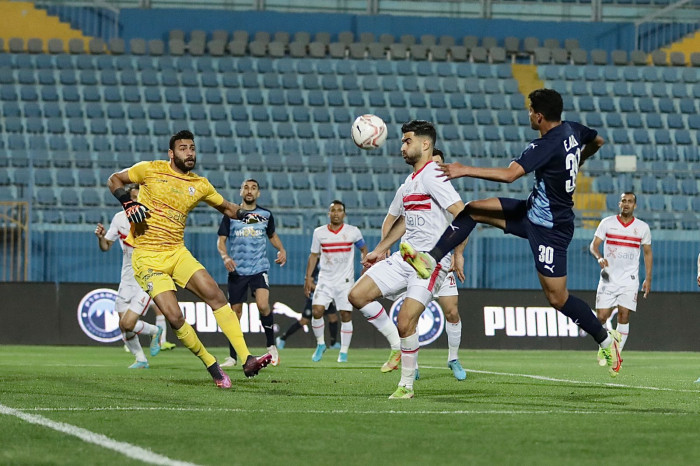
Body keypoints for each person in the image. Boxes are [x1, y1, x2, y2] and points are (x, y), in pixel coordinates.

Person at [400, 89, 623, 379]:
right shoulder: (573, 129)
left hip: (551, 230)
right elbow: (598, 140)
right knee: (472, 210)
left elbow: (509, 175)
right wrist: (577, 162)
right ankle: (430, 259)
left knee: (558, 298)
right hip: (530, 212)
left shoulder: (545, 144)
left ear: (539, 116)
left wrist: (463, 169)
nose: (528, 115)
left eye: (530, 111)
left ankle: (606, 340)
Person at [107, 130, 271, 388]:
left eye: (192, 148)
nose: (190, 152)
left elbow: (227, 207)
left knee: (216, 295)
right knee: (174, 316)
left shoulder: (200, 184)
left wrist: (245, 215)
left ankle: (247, 358)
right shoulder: (150, 169)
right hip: (147, 258)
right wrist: (128, 203)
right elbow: (114, 179)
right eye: (183, 148)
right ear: (171, 153)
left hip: (176, 252)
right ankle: (212, 365)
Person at [349, 120, 466, 399]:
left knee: (406, 321)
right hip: (405, 257)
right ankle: (396, 346)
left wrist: (457, 253)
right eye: (402, 141)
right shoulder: (411, 181)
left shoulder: (433, 175)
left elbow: (463, 214)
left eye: (407, 141)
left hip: (429, 263)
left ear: (425, 144)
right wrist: (379, 249)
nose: (402, 146)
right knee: (357, 295)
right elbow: (402, 221)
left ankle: (407, 385)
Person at [382, 148, 467, 381]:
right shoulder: (408, 187)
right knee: (413, 314)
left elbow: (462, 224)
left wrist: (457, 253)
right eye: (432, 164)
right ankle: (414, 364)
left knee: (452, 311)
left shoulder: (448, 192)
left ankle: (453, 358)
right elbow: (391, 219)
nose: (434, 168)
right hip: (415, 263)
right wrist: (384, 245)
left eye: (439, 165)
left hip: (442, 262)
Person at [94, 183, 171, 369]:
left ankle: (155, 331)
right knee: (123, 324)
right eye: (133, 198)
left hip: (146, 277)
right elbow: (106, 246)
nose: (137, 201)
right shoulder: (119, 218)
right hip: (127, 277)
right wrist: (101, 238)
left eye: (140, 198)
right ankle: (141, 359)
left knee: (128, 323)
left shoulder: (152, 218)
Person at [217, 179, 286, 368]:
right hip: (237, 271)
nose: (249, 191)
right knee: (235, 314)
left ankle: (271, 347)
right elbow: (221, 240)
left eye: (253, 188)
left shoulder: (265, 215)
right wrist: (225, 257)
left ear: (258, 193)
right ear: (241, 191)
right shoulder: (230, 214)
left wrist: (281, 249)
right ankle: (233, 356)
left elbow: (272, 235)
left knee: (263, 305)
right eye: (246, 187)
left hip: (259, 269)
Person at [589, 192, 652, 364]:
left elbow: (647, 253)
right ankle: (605, 345)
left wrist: (648, 278)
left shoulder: (642, 227)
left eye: (630, 201)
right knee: (601, 317)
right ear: (619, 204)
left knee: (624, 315)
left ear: (635, 205)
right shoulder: (607, 223)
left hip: (629, 280)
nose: (626, 204)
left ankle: (615, 355)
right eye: (624, 201)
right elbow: (593, 246)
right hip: (608, 278)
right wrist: (599, 257)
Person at [304, 200, 368, 363]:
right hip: (325, 279)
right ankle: (320, 344)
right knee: (317, 311)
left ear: (344, 214)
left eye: (339, 210)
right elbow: (314, 255)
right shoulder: (319, 233)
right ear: (329, 213)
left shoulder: (353, 232)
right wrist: (308, 277)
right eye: (333, 210)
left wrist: (365, 264)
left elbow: (363, 248)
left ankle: (343, 352)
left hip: (345, 281)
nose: (336, 213)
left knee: (345, 314)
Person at [275, 265, 339, 349]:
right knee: (303, 321)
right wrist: (321, 290)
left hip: (326, 298)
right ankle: (282, 338)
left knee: (333, 318)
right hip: (314, 299)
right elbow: (309, 283)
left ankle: (333, 344)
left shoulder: (329, 266)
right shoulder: (315, 266)